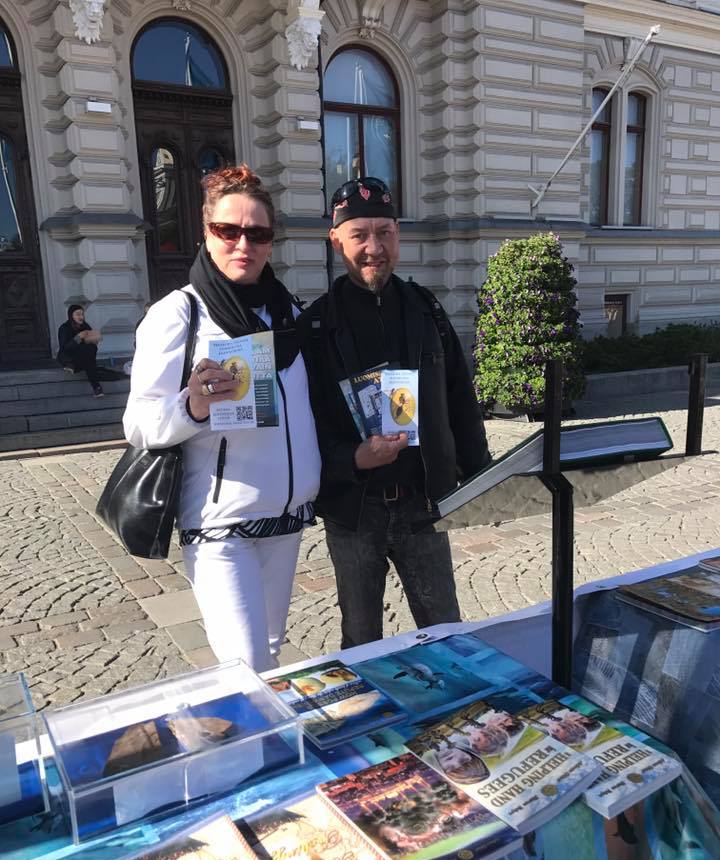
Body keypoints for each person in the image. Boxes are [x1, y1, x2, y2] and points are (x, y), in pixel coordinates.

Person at [123, 164, 320, 671]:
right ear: (205, 233)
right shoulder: (179, 314)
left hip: (287, 517)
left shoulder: (288, 315)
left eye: (257, 233)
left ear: (271, 242)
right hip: (220, 525)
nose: (242, 244)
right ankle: (246, 747)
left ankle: (267, 749)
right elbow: (140, 424)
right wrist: (192, 406)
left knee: (271, 656)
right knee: (245, 665)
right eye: (227, 230)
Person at [299, 176, 490, 649]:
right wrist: (352, 459)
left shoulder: (426, 309)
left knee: (446, 631)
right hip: (354, 512)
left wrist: (484, 479)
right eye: (359, 234)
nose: (373, 248)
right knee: (362, 642)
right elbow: (306, 425)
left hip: (425, 504)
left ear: (398, 235)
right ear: (336, 240)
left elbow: (459, 397)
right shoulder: (316, 325)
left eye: (384, 232)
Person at [57, 304, 104, 397]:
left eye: (82, 314)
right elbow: (65, 348)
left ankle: (96, 387)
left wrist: (94, 340)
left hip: (83, 358)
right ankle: (96, 386)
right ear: (71, 316)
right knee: (89, 360)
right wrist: (78, 338)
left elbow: (90, 345)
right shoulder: (64, 328)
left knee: (90, 349)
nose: (81, 317)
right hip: (68, 358)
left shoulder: (85, 326)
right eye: (78, 314)